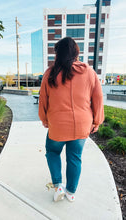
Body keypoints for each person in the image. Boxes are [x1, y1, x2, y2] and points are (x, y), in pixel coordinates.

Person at [39, 37, 104, 202]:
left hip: (57, 124)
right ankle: (70, 192)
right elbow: (98, 98)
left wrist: (44, 119)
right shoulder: (89, 72)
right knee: (74, 157)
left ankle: (58, 185)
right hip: (81, 125)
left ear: (58, 53)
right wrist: (97, 120)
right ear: (76, 53)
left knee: (52, 152)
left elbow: (43, 99)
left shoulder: (50, 73)